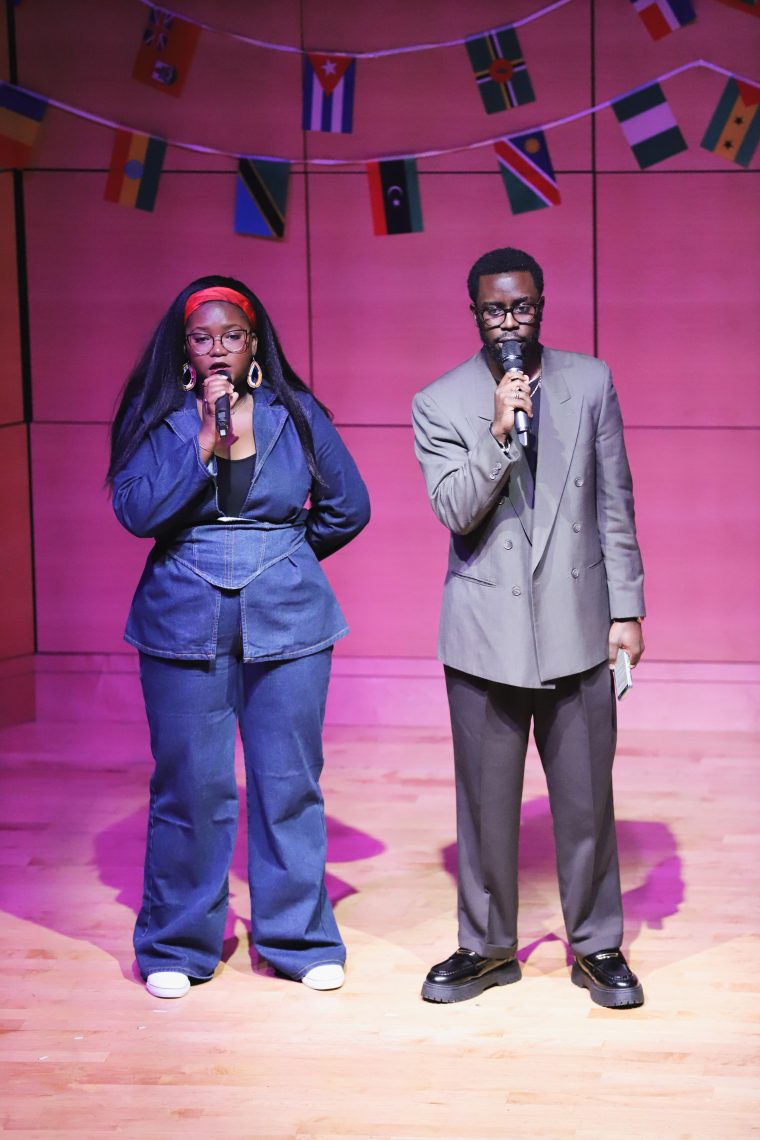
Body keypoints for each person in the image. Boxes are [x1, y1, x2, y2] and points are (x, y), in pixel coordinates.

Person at [108, 276, 370, 999]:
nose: (218, 348)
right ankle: (176, 944)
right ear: (184, 350)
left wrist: (282, 557)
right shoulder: (157, 417)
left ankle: (297, 938)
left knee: (289, 783)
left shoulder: (296, 412)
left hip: (289, 617)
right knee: (191, 785)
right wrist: (201, 437)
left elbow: (348, 507)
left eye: (232, 335)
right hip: (180, 616)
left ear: (255, 344)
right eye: (203, 337)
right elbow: (137, 512)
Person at [411, 247, 646, 1009]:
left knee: (585, 799)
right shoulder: (440, 401)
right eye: (494, 310)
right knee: (484, 803)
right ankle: (485, 947)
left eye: (522, 307)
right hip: (486, 631)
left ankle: (598, 944)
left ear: (541, 305)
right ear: (473, 313)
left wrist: (628, 609)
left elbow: (614, 501)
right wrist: (500, 430)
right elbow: (454, 510)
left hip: (577, 620)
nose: (510, 321)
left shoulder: (590, 381)